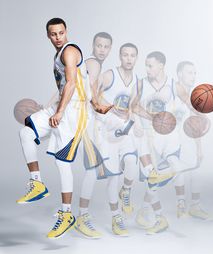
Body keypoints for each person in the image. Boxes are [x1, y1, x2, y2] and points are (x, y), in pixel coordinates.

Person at [17, 18, 111, 239]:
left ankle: (67, 214)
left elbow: (70, 83)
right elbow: (84, 82)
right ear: (48, 35)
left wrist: (60, 112)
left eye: (61, 33)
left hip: (73, 113)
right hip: (62, 106)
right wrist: (95, 104)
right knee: (26, 132)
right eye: (53, 34)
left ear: (66, 32)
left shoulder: (69, 52)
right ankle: (37, 182)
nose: (58, 37)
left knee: (62, 162)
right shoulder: (58, 53)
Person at [75, 43, 141, 237]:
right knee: (101, 174)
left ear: (136, 58)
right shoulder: (109, 75)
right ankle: (93, 216)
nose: (129, 58)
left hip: (123, 130)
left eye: (132, 55)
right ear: (119, 56)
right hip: (104, 131)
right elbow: (91, 96)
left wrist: (134, 120)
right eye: (125, 55)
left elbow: (133, 105)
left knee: (131, 164)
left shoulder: (137, 80)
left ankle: (125, 192)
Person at [134, 51, 179, 234]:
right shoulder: (141, 83)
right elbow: (133, 106)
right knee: (151, 176)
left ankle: (145, 208)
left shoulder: (174, 85)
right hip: (146, 136)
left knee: (175, 169)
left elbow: (188, 105)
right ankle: (160, 218)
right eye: (146, 65)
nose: (147, 69)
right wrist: (151, 117)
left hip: (167, 137)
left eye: (150, 65)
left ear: (161, 65)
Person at [174, 61, 211, 220]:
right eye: (189, 72)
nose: (193, 76)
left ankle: (195, 207)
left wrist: (199, 148)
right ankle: (181, 206)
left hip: (186, 138)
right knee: (180, 170)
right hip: (171, 139)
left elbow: (194, 123)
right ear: (179, 74)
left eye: (195, 73)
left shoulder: (193, 96)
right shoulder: (173, 89)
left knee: (197, 169)